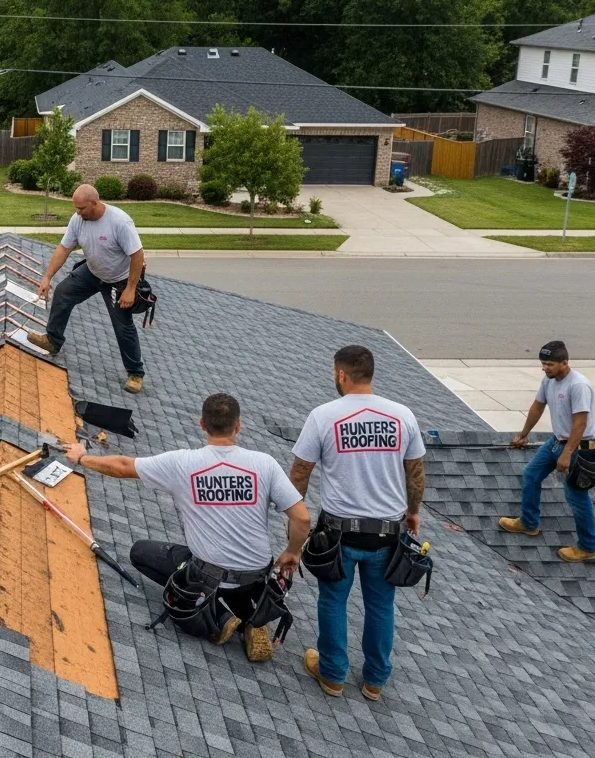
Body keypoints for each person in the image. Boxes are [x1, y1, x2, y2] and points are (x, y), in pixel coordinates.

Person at [64, 393, 310, 661]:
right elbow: (302, 518)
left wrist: (82, 458)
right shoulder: (265, 464)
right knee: (234, 575)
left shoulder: (183, 463)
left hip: (207, 575)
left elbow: (123, 466)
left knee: (141, 553)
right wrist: (293, 552)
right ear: (238, 425)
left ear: (202, 424)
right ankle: (251, 617)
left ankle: (219, 617)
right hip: (254, 578)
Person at [288, 345, 425, 701]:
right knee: (381, 606)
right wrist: (413, 511)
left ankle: (333, 675)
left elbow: (300, 473)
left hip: (339, 536)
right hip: (388, 535)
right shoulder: (403, 416)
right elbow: (415, 472)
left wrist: (294, 519)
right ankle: (375, 681)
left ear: (342, 374)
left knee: (333, 601)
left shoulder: (323, 416)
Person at [27, 185, 147, 394]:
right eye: (76, 208)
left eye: (81, 208)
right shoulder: (78, 220)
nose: (78, 212)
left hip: (118, 281)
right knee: (63, 293)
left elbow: (137, 255)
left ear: (94, 203)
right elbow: (63, 248)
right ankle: (53, 341)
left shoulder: (119, 222)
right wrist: (47, 277)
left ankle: (135, 373)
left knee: (123, 326)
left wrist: (130, 288)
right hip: (92, 273)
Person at [498, 341, 595, 563]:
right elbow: (537, 407)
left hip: (580, 448)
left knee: (576, 496)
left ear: (565, 362)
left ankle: (589, 547)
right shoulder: (549, 380)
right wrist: (523, 434)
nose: (545, 368)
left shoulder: (578, 385)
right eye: (543, 364)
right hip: (556, 442)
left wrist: (566, 454)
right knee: (531, 474)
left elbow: (580, 424)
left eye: (550, 364)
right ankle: (528, 523)